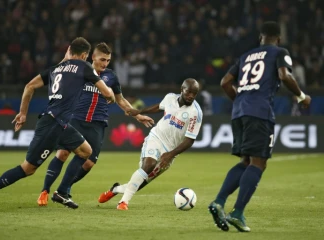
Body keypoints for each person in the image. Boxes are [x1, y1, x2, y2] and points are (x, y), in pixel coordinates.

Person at [0, 37, 115, 211]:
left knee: (86, 151)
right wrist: (111, 95)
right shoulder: (84, 67)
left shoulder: (56, 69)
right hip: (53, 125)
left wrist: (23, 113)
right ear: (86, 55)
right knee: (28, 169)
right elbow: (106, 93)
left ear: (69, 50)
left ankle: (62, 192)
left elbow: (29, 86)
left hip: (59, 123)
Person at [208, 22, 311, 232]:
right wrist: (301, 96)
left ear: (260, 38)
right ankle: (237, 213)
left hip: (239, 113)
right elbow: (284, 75)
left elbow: (225, 82)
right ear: (278, 39)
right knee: (258, 162)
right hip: (260, 112)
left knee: (246, 161)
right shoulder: (280, 52)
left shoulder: (246, 56)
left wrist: (239, 100)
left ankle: (219, 201)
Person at [37, 43, 154, 208]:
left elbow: (120, 100)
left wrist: (138, 115)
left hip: (98, 123)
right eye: (102, 59)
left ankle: (62, 190)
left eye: (107, 60)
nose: (105, 63)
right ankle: (45, 191)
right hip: (75, 118)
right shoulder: (80, 71)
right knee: (63, 153)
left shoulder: (111, 76)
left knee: (89, 162)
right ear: (93, 57)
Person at [98, 78, 203, 210]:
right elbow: (159, 107)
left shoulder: (196, 113)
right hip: (156, 137)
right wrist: (139, 111)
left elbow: (190, 140)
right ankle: (123, 203)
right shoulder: (170, 97)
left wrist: (170, 154)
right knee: (149, 165)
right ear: (182, 89)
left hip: (170, 151)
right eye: (189, 92)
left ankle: (115, 189)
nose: (191, 96)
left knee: (139, 184)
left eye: (194, 93)